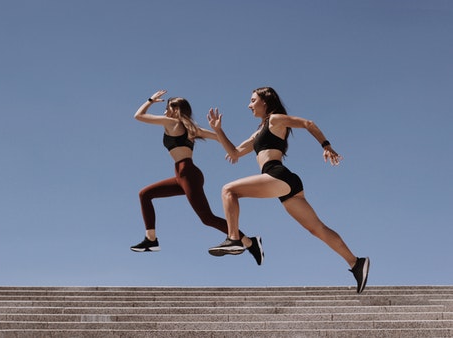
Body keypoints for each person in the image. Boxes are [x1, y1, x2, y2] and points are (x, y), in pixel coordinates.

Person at [206, 86, 370, 293]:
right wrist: (218, 130)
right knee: (316, 228)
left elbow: (307, 123)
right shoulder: (258, 132)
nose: (249, 105)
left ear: (265, 101)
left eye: (252, 100)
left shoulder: (276, 119)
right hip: (286, 184)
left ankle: (234, 239)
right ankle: (356, 263)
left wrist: (326, 145)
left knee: (228, 190)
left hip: (277, 175)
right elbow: (235, 152)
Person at [131, 90, 264, 265]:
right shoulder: (193, 129)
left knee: (207, 218)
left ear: (175, 109)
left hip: (188, 174)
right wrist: (234, 151)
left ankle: (250, 242)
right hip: (183, 175)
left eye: (167, 107)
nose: (164, 111)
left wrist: (150, 100)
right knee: (145, 194)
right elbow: (218, 137)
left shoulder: (171, 123)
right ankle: (151, 239)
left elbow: (138, 116)